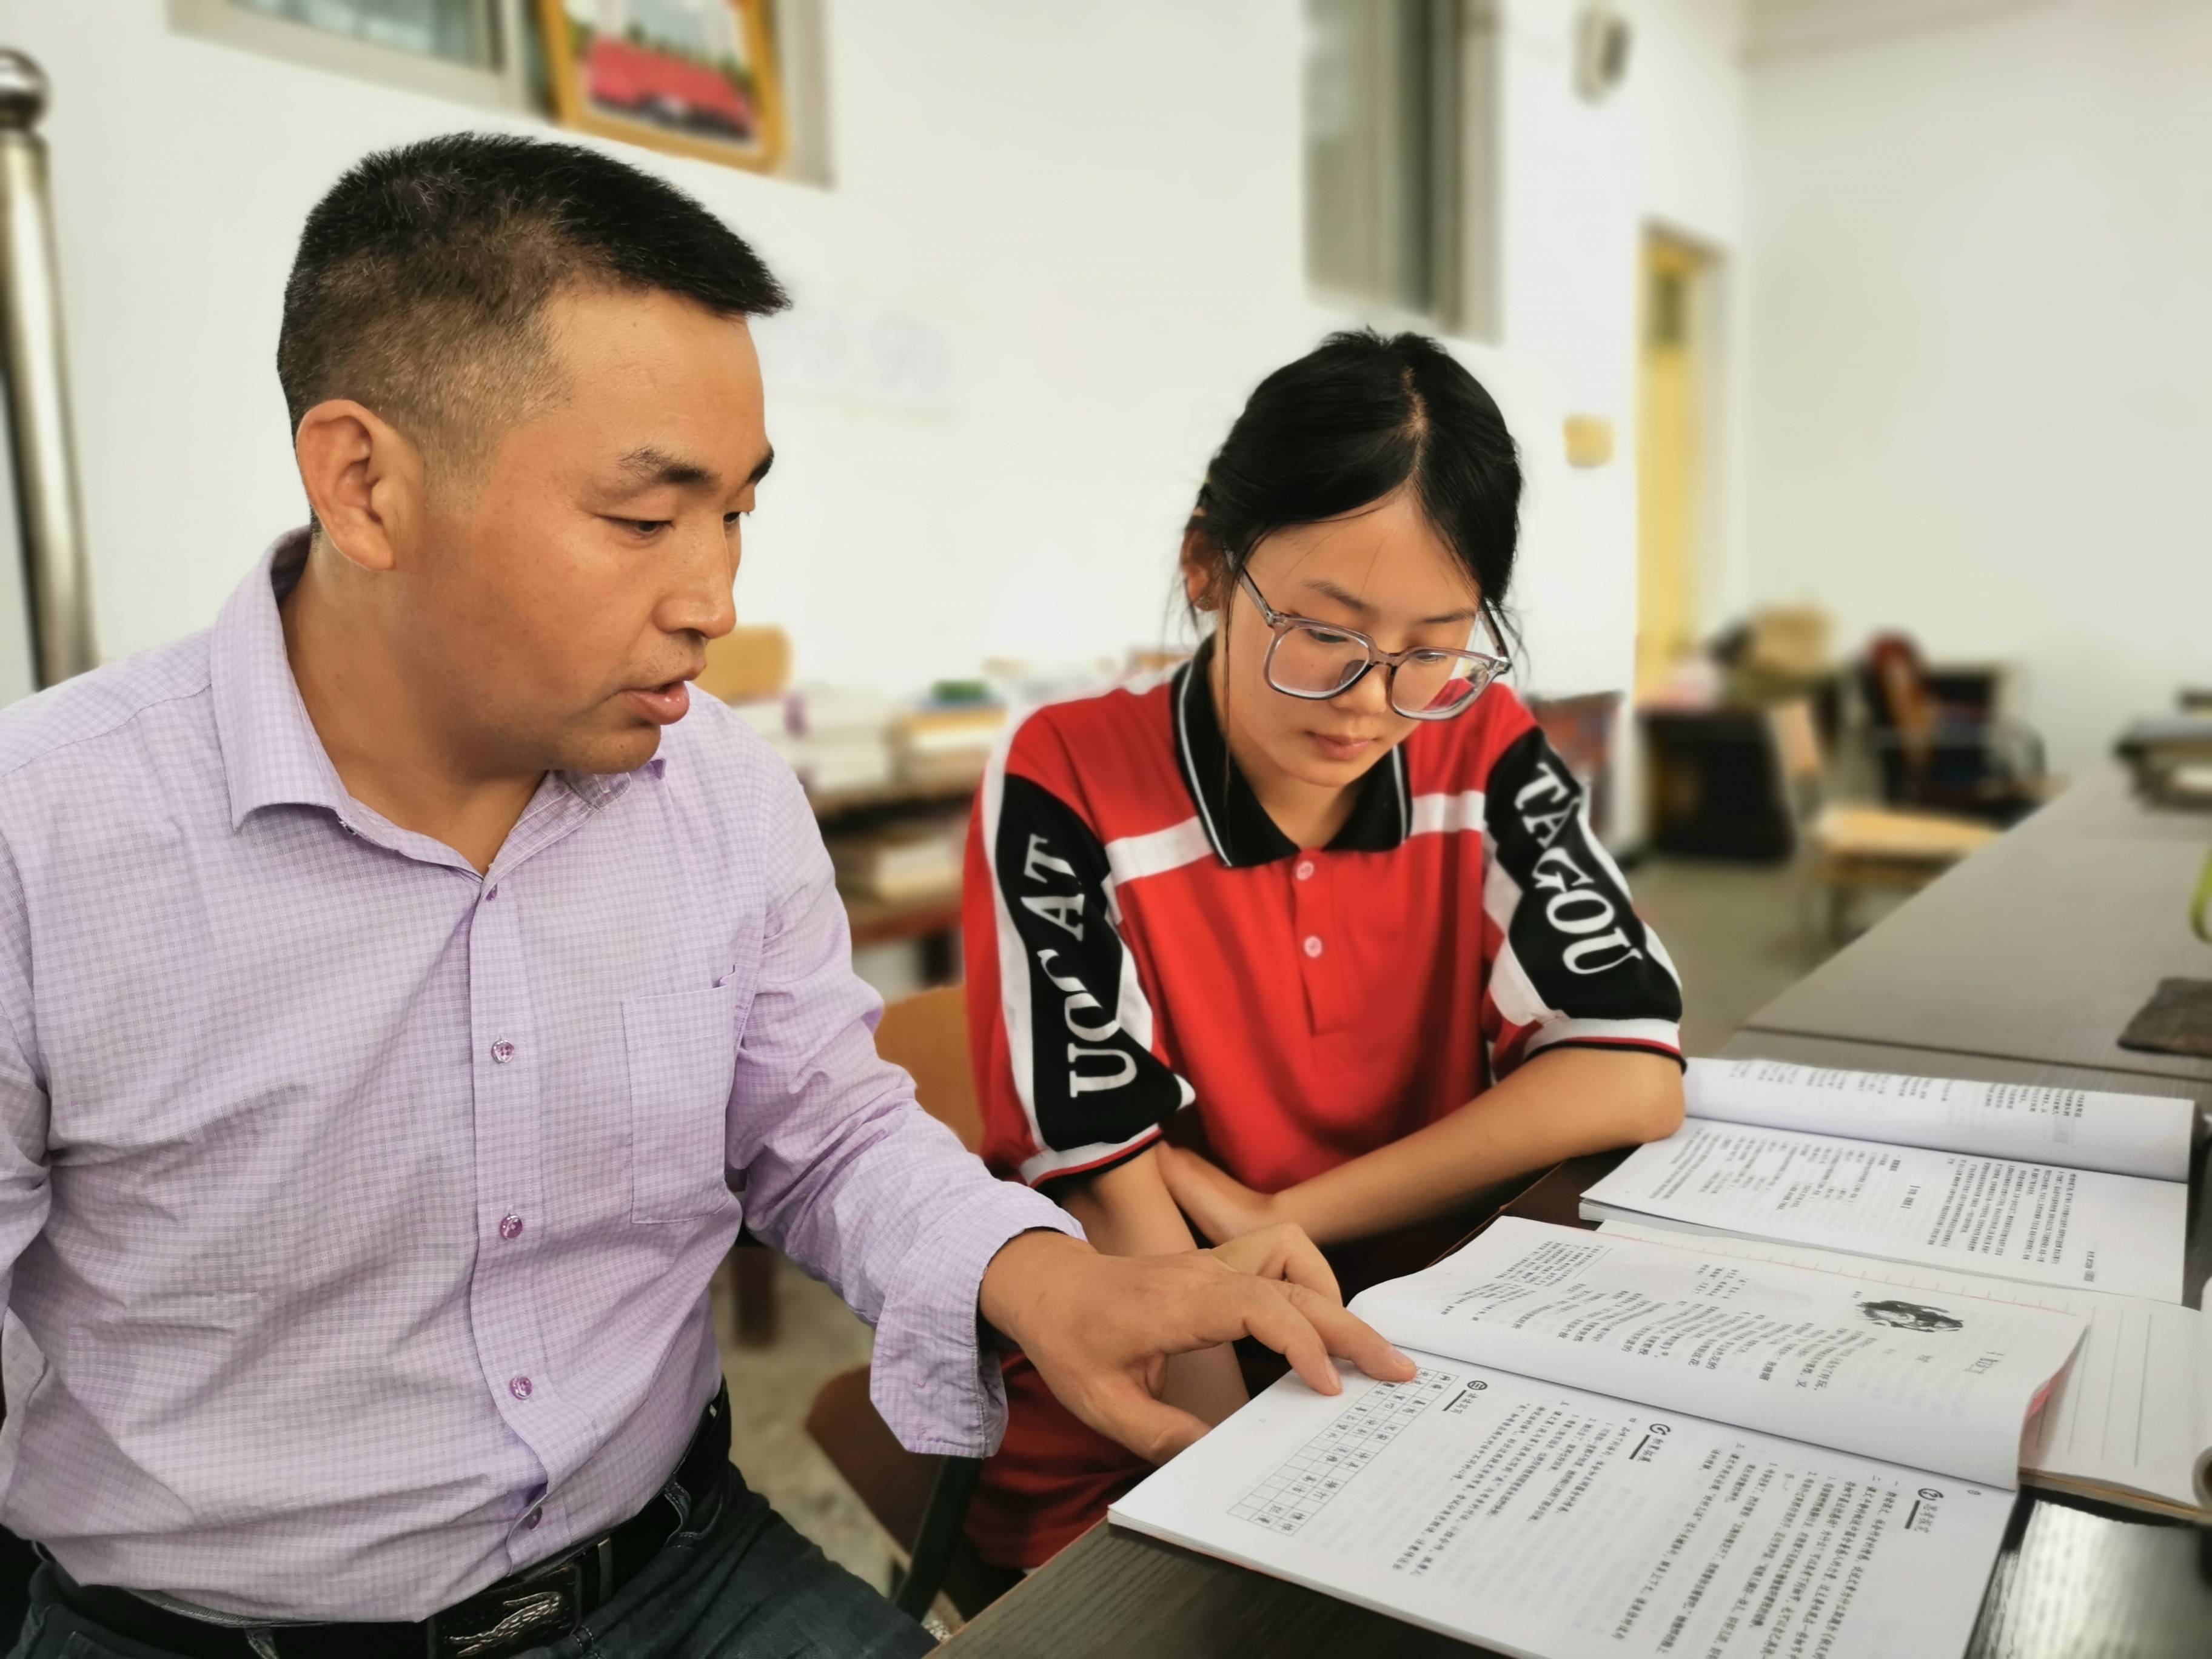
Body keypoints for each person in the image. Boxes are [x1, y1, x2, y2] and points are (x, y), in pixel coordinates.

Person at [0, 136, 1414, 1659]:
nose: (715, 601)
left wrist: (1038, 1278)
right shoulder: (50, 839)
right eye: (644, 515)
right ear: (365, 484)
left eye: (737, 510)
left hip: (678, 1580)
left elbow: (820, 1129)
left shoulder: (715, 787)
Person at [960, 329, 1689, 1569]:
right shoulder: (1067, 775)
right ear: (1206, 564)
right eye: (1322, 632)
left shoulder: (1482, 745)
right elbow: (1117, 1196)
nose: (1369, 702)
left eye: (1431, 648)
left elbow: (1629, 1071)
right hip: (1159, 1407)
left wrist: (1272, 1210)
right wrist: (1266, 1508)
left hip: (1434, 1351)